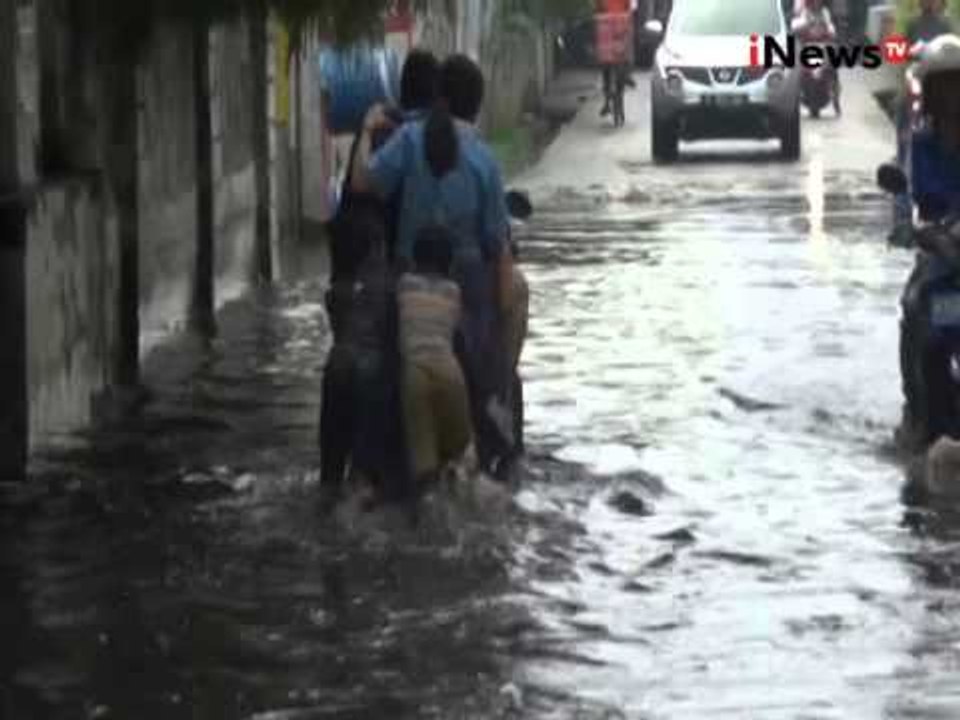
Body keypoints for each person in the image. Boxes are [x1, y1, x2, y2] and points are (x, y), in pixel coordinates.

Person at [351, 54, 515, 474]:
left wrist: (368, 130)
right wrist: (497, 333)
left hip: (409, 285)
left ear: (438, 97)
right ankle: (497, 401)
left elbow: (361, 183)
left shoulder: (407, 139)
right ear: (477, 107)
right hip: (469, 300)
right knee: (508, 326)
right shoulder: (484, 159)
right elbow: (498, 248)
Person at [899, 35, 960, 447]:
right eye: (945, 85)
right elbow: (903, 193)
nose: (953, 94)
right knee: (924, 319)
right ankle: (923, 415)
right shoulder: (919, 142)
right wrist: (907, 228)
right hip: (943, 254)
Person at [318, 212, 396, 505]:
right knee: (365, 478)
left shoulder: (335, 292)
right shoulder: (382, 289)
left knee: (330, 476)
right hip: (369, 374)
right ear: (374, 249)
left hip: (336, 368)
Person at [398, 226, 474, 497]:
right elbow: (460, 340)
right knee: (457, 455)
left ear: (415, 259)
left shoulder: (403, 285)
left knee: (424, 467)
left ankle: (425, 523)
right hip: (450, 373)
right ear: (449, 261)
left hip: (414, 374)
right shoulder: (453, 291)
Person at [792, 0, 842, 116]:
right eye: (814, 1)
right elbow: (795, 26)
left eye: (818, 1)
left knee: (833, 64)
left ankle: (835, 96)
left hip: (823, 45)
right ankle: (796, 96)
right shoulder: (803, 11)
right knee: (795, 70)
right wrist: (805, 25)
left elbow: (831, 28)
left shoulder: (825, 12)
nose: (816, 3)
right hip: (807, 45)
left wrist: (830, 31)